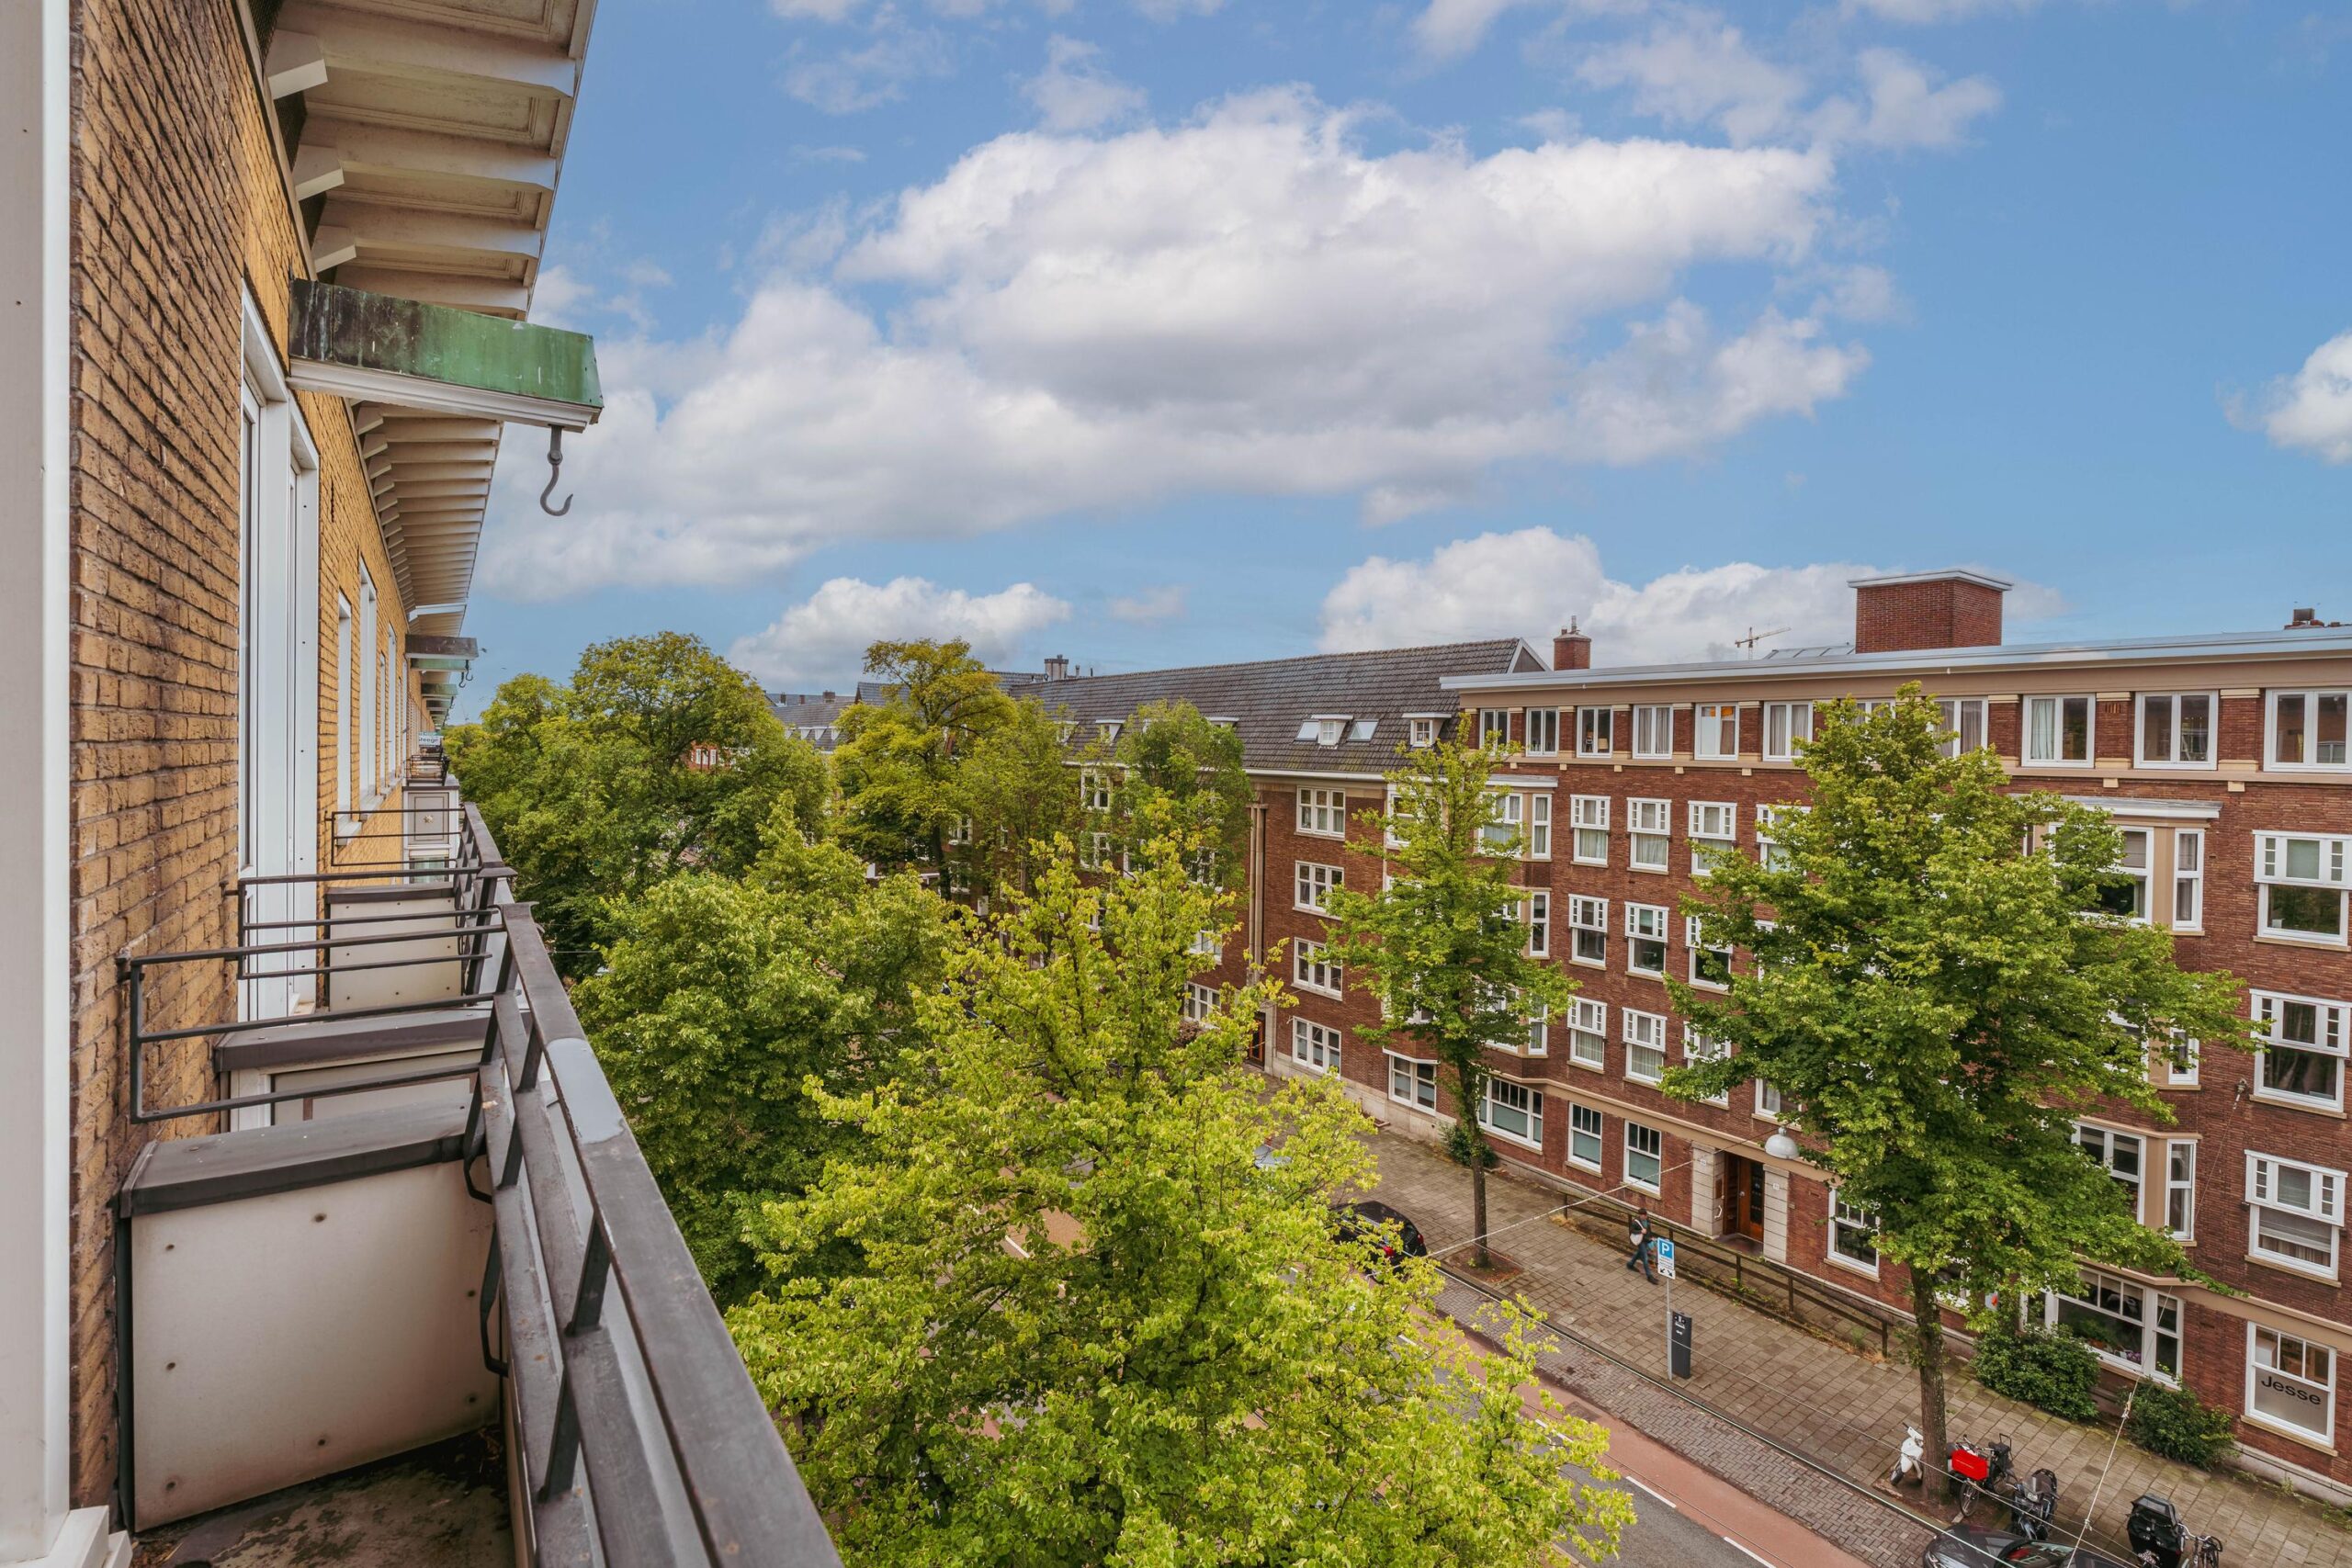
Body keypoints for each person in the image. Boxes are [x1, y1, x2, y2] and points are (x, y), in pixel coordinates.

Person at [1624, 1200, 1656, 1282]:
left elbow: (1649, 1230)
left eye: (1645, 1216)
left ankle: (1630, 1264)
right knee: (1645, 1258)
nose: (1644, 1217)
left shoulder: (1648, 1220)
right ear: (1640, 1215)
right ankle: (1649, 1276)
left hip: (1646, 1240)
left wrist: (1651, 1237)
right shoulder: (1636, 1222)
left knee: (1639, 1253)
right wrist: (1640, 1232)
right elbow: (1631, 1230)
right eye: (1642, 1216)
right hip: (1640, 1241)